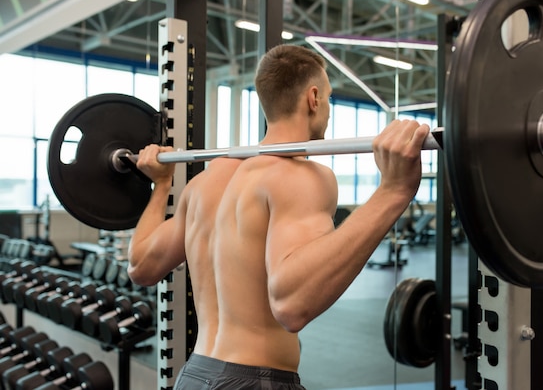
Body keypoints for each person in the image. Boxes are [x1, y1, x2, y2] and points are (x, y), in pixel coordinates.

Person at [127, 44, 430, 389]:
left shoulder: (204, 184)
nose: (328, 110)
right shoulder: (300, 177)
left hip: (195, 375)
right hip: (253, 380)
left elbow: (141, 266)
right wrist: (392, 192)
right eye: (329, 99)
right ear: (313, 98)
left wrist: (161, 185)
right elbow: (291, 304)